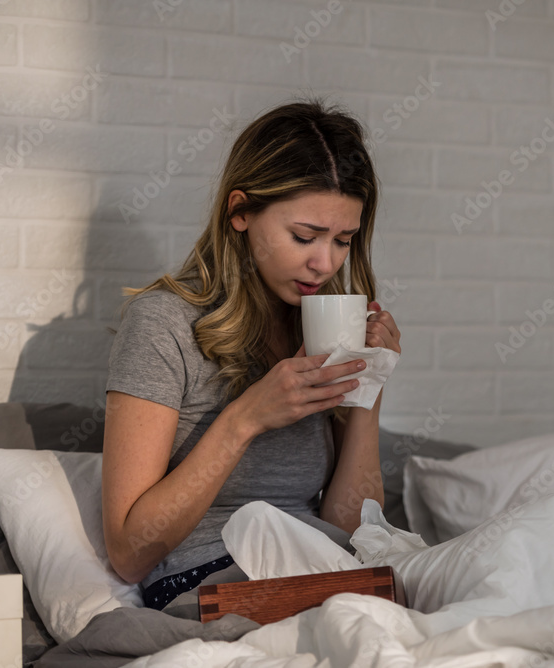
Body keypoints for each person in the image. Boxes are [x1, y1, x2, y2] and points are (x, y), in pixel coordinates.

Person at [101, 98, 400, 615]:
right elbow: (129, 554)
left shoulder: (312, 325)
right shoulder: (162, 324)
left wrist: (369, 386)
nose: (324, 262)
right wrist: (245, 418)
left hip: (327, 565)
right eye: (304, 236)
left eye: (343, 241)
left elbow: (349, 525)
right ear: (240, 212)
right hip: (212, 581)